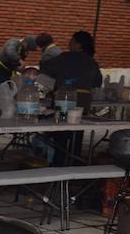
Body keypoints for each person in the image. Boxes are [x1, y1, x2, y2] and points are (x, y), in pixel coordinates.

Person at [40, 30, 103, 166]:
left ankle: (58, 163)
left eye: (72, 41)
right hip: (83, 103)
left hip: (63, 101)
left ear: (78, 44)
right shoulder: (92, 62)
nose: (69, 43)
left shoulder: (65, 57)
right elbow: (97, 82)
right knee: (76, 134)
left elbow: (45, 68)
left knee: (61, 134)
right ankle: (75, 161)